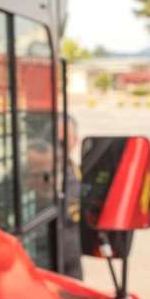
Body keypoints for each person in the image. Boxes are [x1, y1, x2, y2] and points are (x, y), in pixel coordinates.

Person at [61, 115, 83, 279]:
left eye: (62, 141)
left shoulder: (80, 174)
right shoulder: (24, 176)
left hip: (70, 264)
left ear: (75, 141)